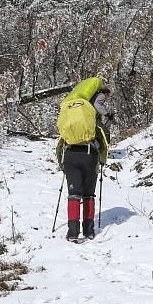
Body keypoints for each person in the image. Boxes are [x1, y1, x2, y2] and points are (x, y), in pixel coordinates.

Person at [55, 81, 112, 241]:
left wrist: (62, 165)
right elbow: (104, 143)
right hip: (89, 157)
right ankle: (89, 231)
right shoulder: (92, 124)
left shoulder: (70, 128)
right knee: (88, 195)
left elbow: (59, 146)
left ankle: (72, 233)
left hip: (70, 158)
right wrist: (102, 160)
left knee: (73, 195)